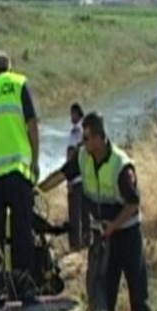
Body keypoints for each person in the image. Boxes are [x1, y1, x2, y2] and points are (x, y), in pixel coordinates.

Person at [37, 112, 157, 311]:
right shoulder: (83, 157)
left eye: (88, 137)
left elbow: (134, 204)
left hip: (128, 236)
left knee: (138, 293)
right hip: (106, 237)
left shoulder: (121, 166)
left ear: (100, 139)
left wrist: (112, 226)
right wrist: (36, 190)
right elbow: (61, 175)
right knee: (103, 290)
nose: (83, 141)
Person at [0, 51, 40, 304]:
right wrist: (34, 162)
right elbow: (32, 125)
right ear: (10, 69)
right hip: (16, 171)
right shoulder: (19, 84)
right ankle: (26, 290)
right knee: (22, 230)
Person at [67, 102, 90, 250]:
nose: (71, 117)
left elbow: (71, 154)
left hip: (76, 177)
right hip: (86, 177)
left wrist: (68, 178)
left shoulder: (76, 132)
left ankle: (75, 244)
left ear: (77, 114)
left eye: (72, 114)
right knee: (85, 212)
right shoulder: (87, 130)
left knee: (74, 213)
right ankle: (87, 241)